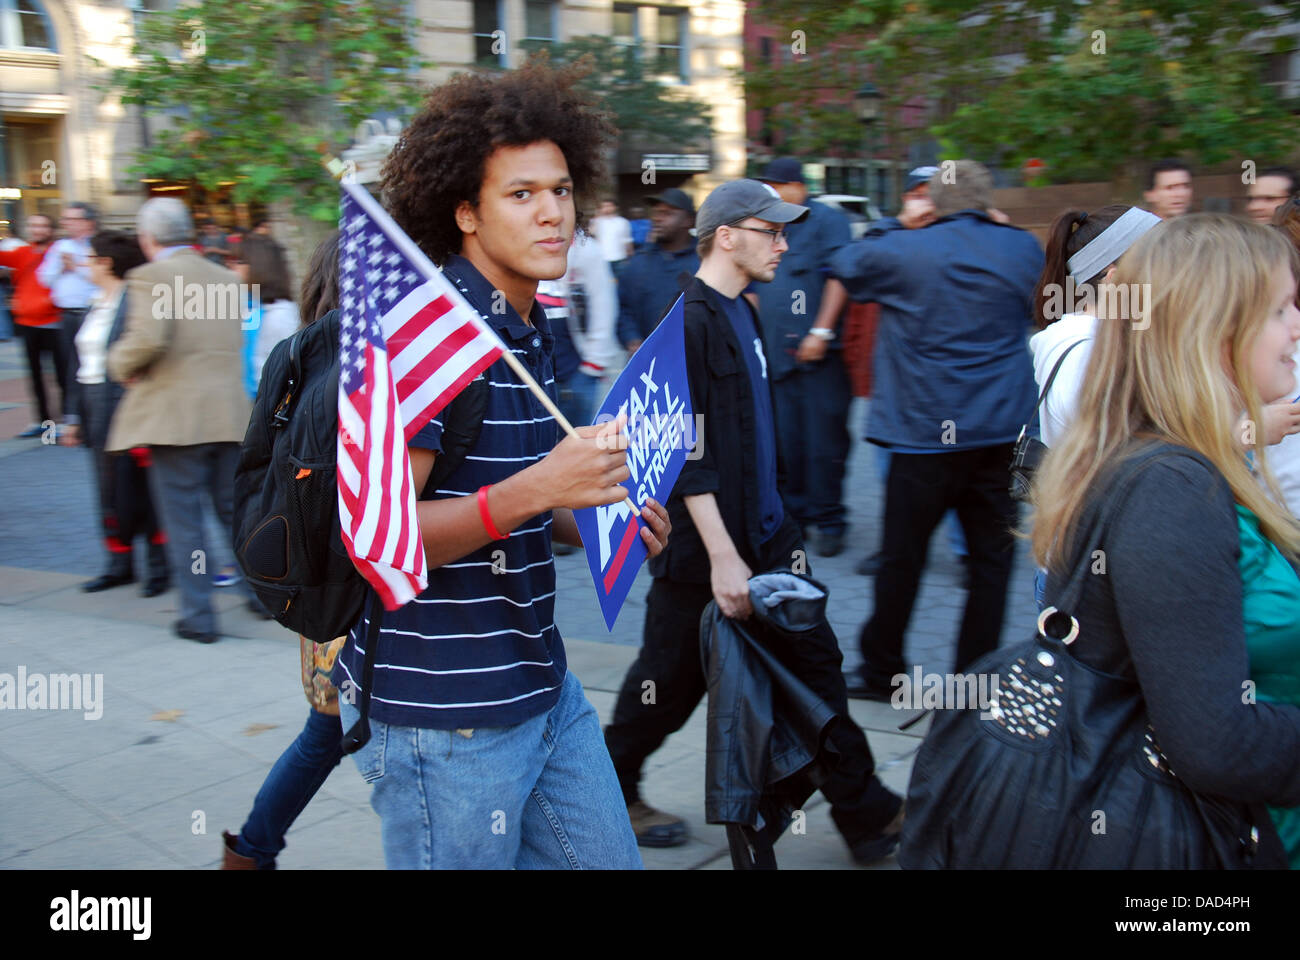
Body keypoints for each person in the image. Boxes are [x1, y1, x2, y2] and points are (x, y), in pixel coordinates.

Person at [329, 60, 670, 870]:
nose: (552, 212)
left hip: (540, 682)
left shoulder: (529, 324)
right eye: (521, 194)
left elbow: (512, 497)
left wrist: (592, 512)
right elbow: (378, 540)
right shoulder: (427, 341)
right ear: (467, 214)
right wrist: (536, 489)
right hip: (445, 718)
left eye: (559, 189)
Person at [602, 179, 906, 862]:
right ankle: (608, 786)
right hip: (708, 555)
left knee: (815, 671)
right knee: (665, 689)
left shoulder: (747, 310)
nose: (785, 243)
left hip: (770, 538)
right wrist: (721, 558)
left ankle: (867, 813)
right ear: (728, 235)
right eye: (771, 231)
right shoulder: (689, 319)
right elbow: (686, 452)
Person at [1030, 213, 1300, 866]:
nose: (1297, 326)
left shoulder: (1183, 460)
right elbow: (1213, 742)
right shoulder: (1172, 486)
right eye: (1282, 309)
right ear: (1216, 331)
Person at [831, 160, 1044, 700]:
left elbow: (846, 262)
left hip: (924, 435)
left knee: (902, 560)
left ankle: (883, 672)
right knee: (992, 566)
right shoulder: (1020, 248)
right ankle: (975, 683)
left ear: (931, 202)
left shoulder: (904, 248)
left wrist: (899, 223)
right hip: (1002, 438)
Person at [222, 231, 345, 871]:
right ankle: (251, 849)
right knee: (335, 732)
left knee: (326, 731)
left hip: (314, 582)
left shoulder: (300, 356)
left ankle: (251, 850)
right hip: (350, 595)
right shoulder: (346, 370)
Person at [105, 198, 253, 644]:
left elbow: (148, 339)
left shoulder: (151, 276)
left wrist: (117, 362)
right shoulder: (225, 278)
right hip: (227, 412)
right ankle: (261, 595)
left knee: (185, 520)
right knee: (234, 514)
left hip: (177, 419)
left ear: (148, 239)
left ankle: (198, 614)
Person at [1025, 204, 1162, 608]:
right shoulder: (1086, 352)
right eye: (1161, 260)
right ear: (1116, 277)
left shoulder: (1113, 341)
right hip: (1087, 573)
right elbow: (1125, 457)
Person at [59, 230, 169, 596]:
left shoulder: (136, 300)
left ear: (106, 263)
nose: (85, 265)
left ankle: (158, 566)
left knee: (141, 487)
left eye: (90, 258)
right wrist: (73, 417)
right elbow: (77, 365)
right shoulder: (94, 303)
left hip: (128, 402)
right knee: (107, 490)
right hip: (93, 403)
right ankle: (118, 564)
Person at [753, 157, 853, 558]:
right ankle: (795, 519)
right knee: (785, 444)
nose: (771, 191)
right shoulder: (767, 224)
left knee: (824, 445)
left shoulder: (828, 220)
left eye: (778, 184)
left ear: (799, 186)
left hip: (820, 356)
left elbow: (839, 276)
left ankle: (830, 520)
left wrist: (822, 331)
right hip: (778, 353)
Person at [855, 166, 948, 577]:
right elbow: (852, 268)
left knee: (955, 472)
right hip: (893, 388)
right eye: (918, 193)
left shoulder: (957, 243)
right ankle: (893, 551)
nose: (926, 202)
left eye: (934, 194)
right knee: (890, 475)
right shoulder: (888, 241)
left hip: (948, 390)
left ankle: (965, 551)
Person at [541, 226, 617, 430]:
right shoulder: (524, 245)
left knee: (578, 442)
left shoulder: (586, 249)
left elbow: (603, 305)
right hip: (537, 372)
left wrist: (593, 363)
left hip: (576, 370)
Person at [616, 187, 699, 354]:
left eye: (668, 213)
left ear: (688, 220)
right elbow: (623, 309)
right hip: (649, 369)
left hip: (694, 365)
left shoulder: (705, 262)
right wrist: (631, 339)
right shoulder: (639, 262)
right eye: (656, 212)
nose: (657, 219)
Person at [38, 203, 100, 420]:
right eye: (66, 219)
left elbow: (102, 278)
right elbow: (44, 278)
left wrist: (76, 267)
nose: (67, 224)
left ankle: (94, 413)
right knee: (69, 366)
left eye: (72, 219)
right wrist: (60, 266)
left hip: (93, 312)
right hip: (66, 314)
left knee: (91, 364)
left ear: (88, 222)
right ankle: (75, 416)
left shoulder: (98, 245)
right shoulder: (60, 247)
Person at [0, 213, 61, 436]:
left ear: (51, 229)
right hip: (28, 323)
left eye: (43, 225)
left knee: (60, 376)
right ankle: (43, 422)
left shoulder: (59, 252)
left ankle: (63, 422)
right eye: (34, 225)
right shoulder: (22, 253)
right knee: (35, 377)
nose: (38, 230)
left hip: (54, 323)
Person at [230, 233, 299, 398]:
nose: (232, 267)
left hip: (269, 406)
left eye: (240, 262)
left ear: (257, 266)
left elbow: (289, 371)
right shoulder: (249, 305)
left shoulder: (280, 315)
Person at [591, 198, 633, 279]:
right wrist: (597, 215)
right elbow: (591, 233)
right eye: (604, 206)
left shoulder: (623, 222)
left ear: (615, 207)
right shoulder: (597, 221)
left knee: (621, 283)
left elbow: (627, 241)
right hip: (602, 259)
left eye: (609, 206)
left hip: (620, 258)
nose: (606, 208)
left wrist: (629, 257)